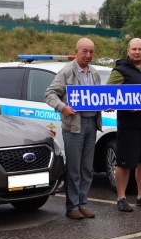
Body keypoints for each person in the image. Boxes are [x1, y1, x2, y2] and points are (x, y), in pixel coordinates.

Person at [44, 38, 102, 220]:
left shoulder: (94, 72)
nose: (88, 55)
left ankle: (83, 203)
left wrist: (105, 104)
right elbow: (49, 94)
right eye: (85, 51)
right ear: (76, 51)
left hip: (92, 124)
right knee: (74, 169)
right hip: (74, 126)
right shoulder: (66, 72)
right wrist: (63, 107)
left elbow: (98, 97)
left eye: (91, 52)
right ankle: (72, 206)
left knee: (87, 168)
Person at [106, 38, 141, 212]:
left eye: (140, 49)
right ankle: (121, 198)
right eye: (134, 49)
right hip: (129, 125)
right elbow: (107, 95)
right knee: (124, 163)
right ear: (128, 50)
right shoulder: (120, 70)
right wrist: (126, 106)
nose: (137, 52)